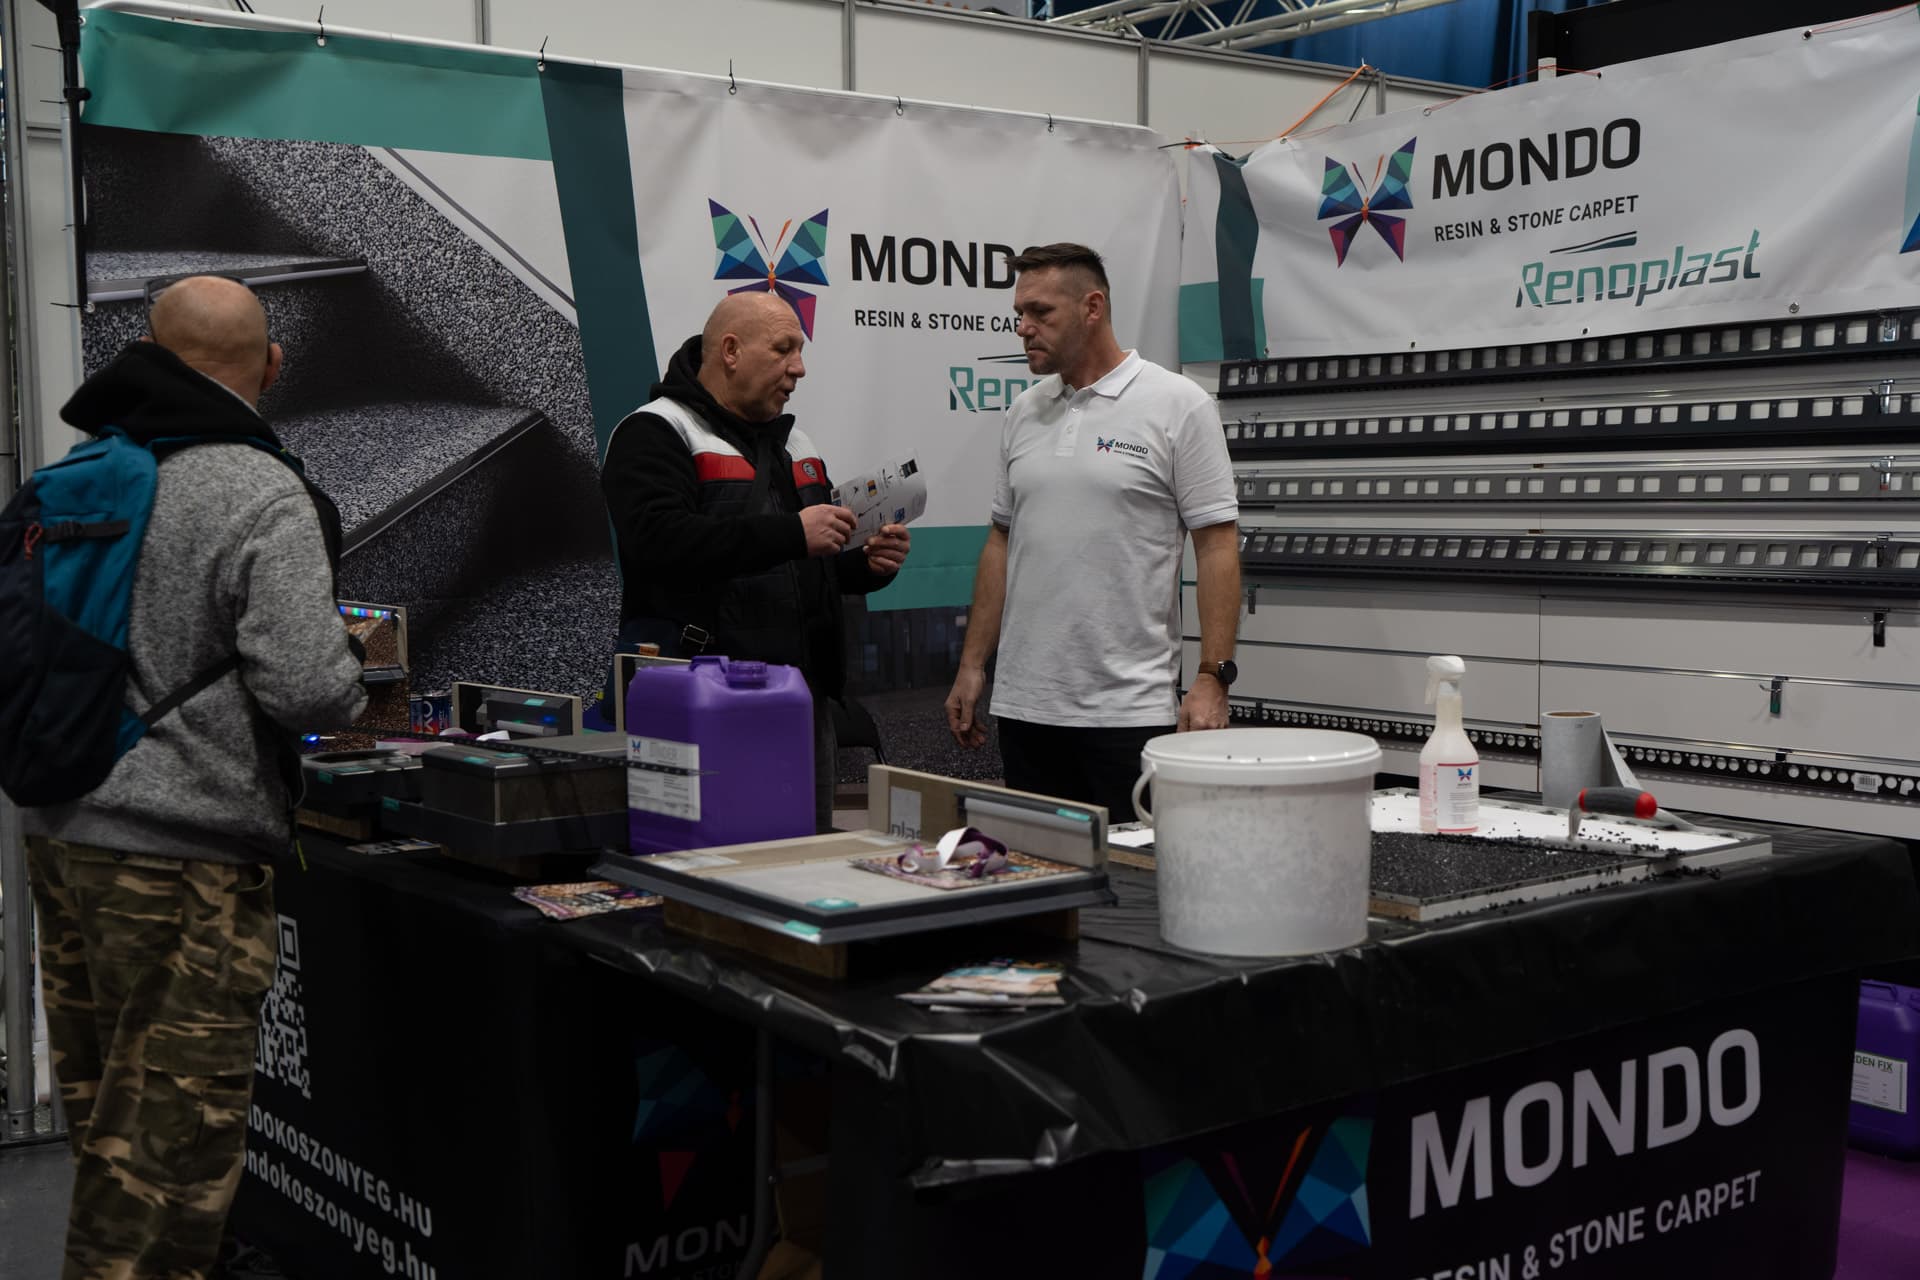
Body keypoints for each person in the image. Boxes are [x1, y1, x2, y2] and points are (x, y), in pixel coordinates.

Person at [23, 275, 368, 1279]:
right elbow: (306, 687)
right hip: (182, 867)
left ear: (150, 353)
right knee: (165, 1168)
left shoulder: (78, 473)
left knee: (111, 1130)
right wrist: (355, 676)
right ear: (272, 365)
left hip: (64, 834)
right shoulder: (261, 490)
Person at [944, 243, 1241, 822]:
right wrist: (973, 664)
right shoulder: (1024, 411)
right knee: (1039, 869)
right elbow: (1002, 541)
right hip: (1026, 708)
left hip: (1128, 712)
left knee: (1133, 875)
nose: (1023, 328)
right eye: (1019, 314)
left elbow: (1217, 547)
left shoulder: (1178, 405)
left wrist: (1213, 676)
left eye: (1040, 312)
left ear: (1093, 307)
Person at [601, 292, 910, 830]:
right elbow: (658, 542)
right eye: (784, 349)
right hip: (700, 698)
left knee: (805, 853)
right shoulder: (654, 431)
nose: (800, 368)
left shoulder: (797, 443)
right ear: (730, 350)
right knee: (708, 855)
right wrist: (792, 533)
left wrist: (867, 565)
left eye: (800, 351)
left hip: (800, 698)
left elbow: (805, 564)